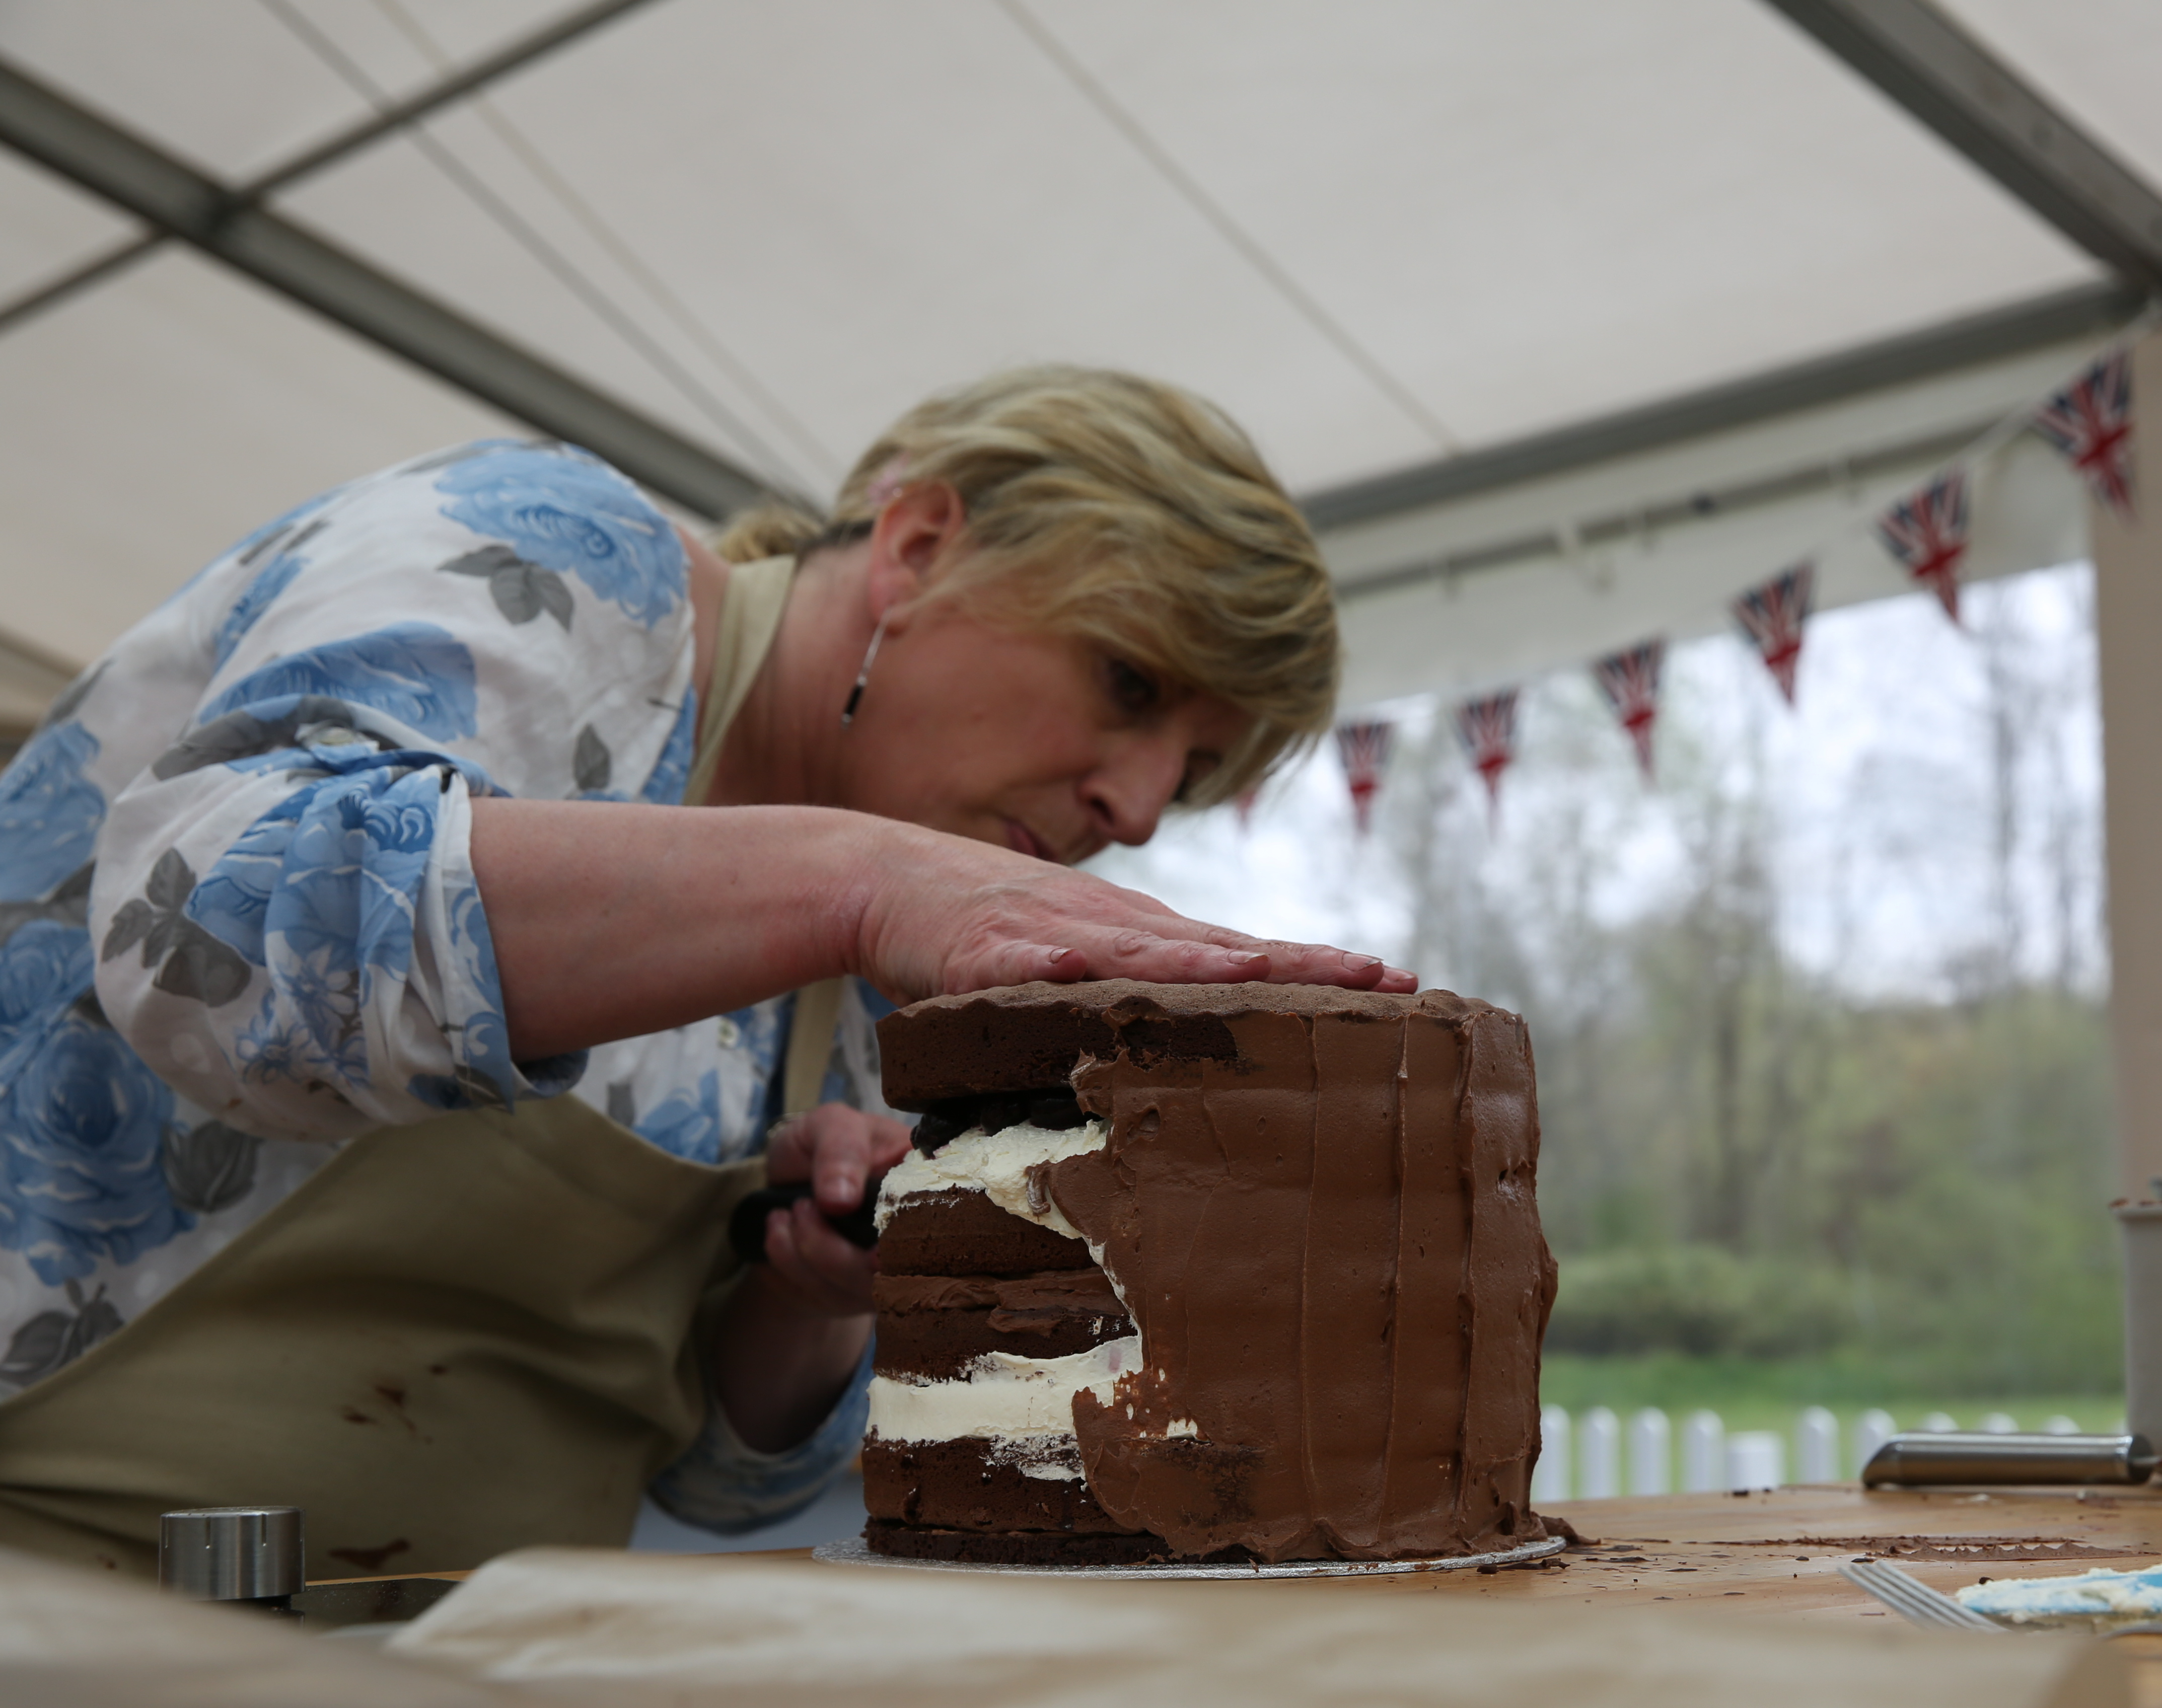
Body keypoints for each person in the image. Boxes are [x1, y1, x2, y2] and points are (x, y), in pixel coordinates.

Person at [0, 364, 1407, 1578]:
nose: (1147, 806)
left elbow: (715, 1482)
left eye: (1198, 769)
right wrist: (856, 881)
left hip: (459, 1695)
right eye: (1131, 683)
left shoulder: (869, 1003)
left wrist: (817, 1288)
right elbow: (214, 931)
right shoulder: (564, 564)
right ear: (915, 546)